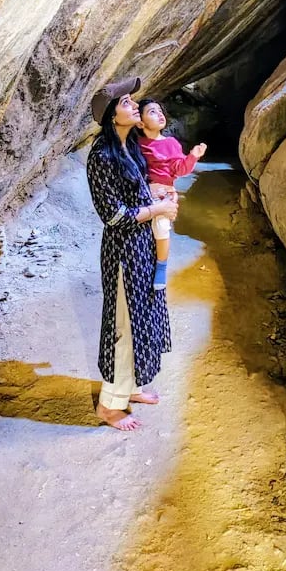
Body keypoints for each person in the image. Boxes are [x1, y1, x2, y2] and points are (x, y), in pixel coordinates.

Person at [87, 76, 178, 431]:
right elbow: (112, 216)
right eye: (126, 102)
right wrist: (157, 210)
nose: (135, 105)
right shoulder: (102, 156)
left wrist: (160, 196)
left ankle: (132, 387)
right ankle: (109, 406)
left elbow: (139, 193)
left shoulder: (131, 147)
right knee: (124, 324)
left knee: (142, 316)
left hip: (142, 246)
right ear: (112, 116)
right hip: (123, 252)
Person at [137, 98, 207, 290]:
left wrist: (193, 156)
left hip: (163, 194)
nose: (159, 114)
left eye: (160, 111)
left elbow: (180, 168)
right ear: (140, 123)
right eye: (152, 112)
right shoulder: (138, 144)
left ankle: (161, 266)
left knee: (161, 227)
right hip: (143, 191)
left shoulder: (171, 143)